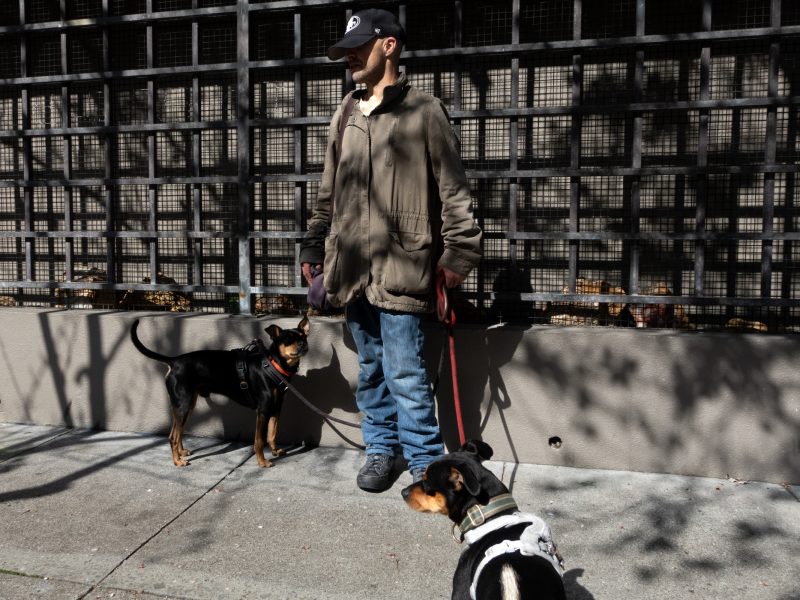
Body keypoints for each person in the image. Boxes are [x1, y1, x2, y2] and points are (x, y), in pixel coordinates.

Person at [299, 8, 482, 492]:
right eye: (346, 49)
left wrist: (457, 257)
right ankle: (382, 451)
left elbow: (455, 191)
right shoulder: (346, 112)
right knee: (372, 372)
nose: (350, 57)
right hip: (351, 267)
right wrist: (314, 246)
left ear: (389, 45)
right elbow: (328, 193)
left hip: (404, 266)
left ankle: (426, 465)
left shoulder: (425, 111)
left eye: (359, 46)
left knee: (406, 372)